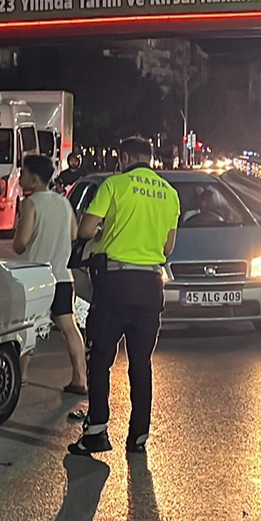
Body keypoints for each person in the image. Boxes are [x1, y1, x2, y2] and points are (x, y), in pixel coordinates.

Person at [69, 137, 180, 456]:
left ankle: (97, 432)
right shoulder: (169, 194)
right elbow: (166, 248)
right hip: (150, 286)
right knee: (141, 363)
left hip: (115, 283)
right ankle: (139, 435)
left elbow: (86, 230)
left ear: (127, 157)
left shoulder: (115, 185)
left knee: (100, 359)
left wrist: (108, 233)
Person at [12, 155, 88, 395]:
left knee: (28, 326)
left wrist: (18, 232)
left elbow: (20, 243)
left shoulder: (30, 203)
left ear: (34, 179)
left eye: (23, 173)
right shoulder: (63, 203)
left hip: (36, 279)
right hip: (63, 276)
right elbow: (74, 234)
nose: (21, 177)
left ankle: (21, 376)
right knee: (69, 327)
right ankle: (80, 378)